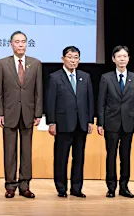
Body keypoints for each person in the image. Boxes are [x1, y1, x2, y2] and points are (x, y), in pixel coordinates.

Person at [0, 31, 42, 199]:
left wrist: (38, 113)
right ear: (11, 44)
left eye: (23, 42)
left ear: (26, 44)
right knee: (10, 151)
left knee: (26, 152)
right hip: (9, 113)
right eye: (17, 42)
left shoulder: (35, 64)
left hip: (28, 113)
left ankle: (25, 185)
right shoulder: (2, 63)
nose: (20, 45)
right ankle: (10, 185)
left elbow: (38, 91)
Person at [45, 46, 94, 198]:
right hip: (63, 123)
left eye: (76, 57)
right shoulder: (55, 77)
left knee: (79, 157)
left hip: (81, 123)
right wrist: (51, 122)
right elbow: (50, 101)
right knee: (61, 157)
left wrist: (90, 120)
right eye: (70, 57)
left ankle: (76, 188)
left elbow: (89, 100)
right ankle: (61, 188)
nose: (73, 60)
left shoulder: (85, 77)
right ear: (63, 59)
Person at [97, 45, 134, 198]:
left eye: (125, 56)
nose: (122, 59)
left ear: (128, 59)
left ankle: (124, 187)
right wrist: (100, 123)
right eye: (119, 56)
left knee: (125, 156)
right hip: (111, 123)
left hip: (128, 123)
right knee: (111, 155)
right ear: (113, 59)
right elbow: (101, 102)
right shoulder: (106, 78)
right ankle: (111, 187)